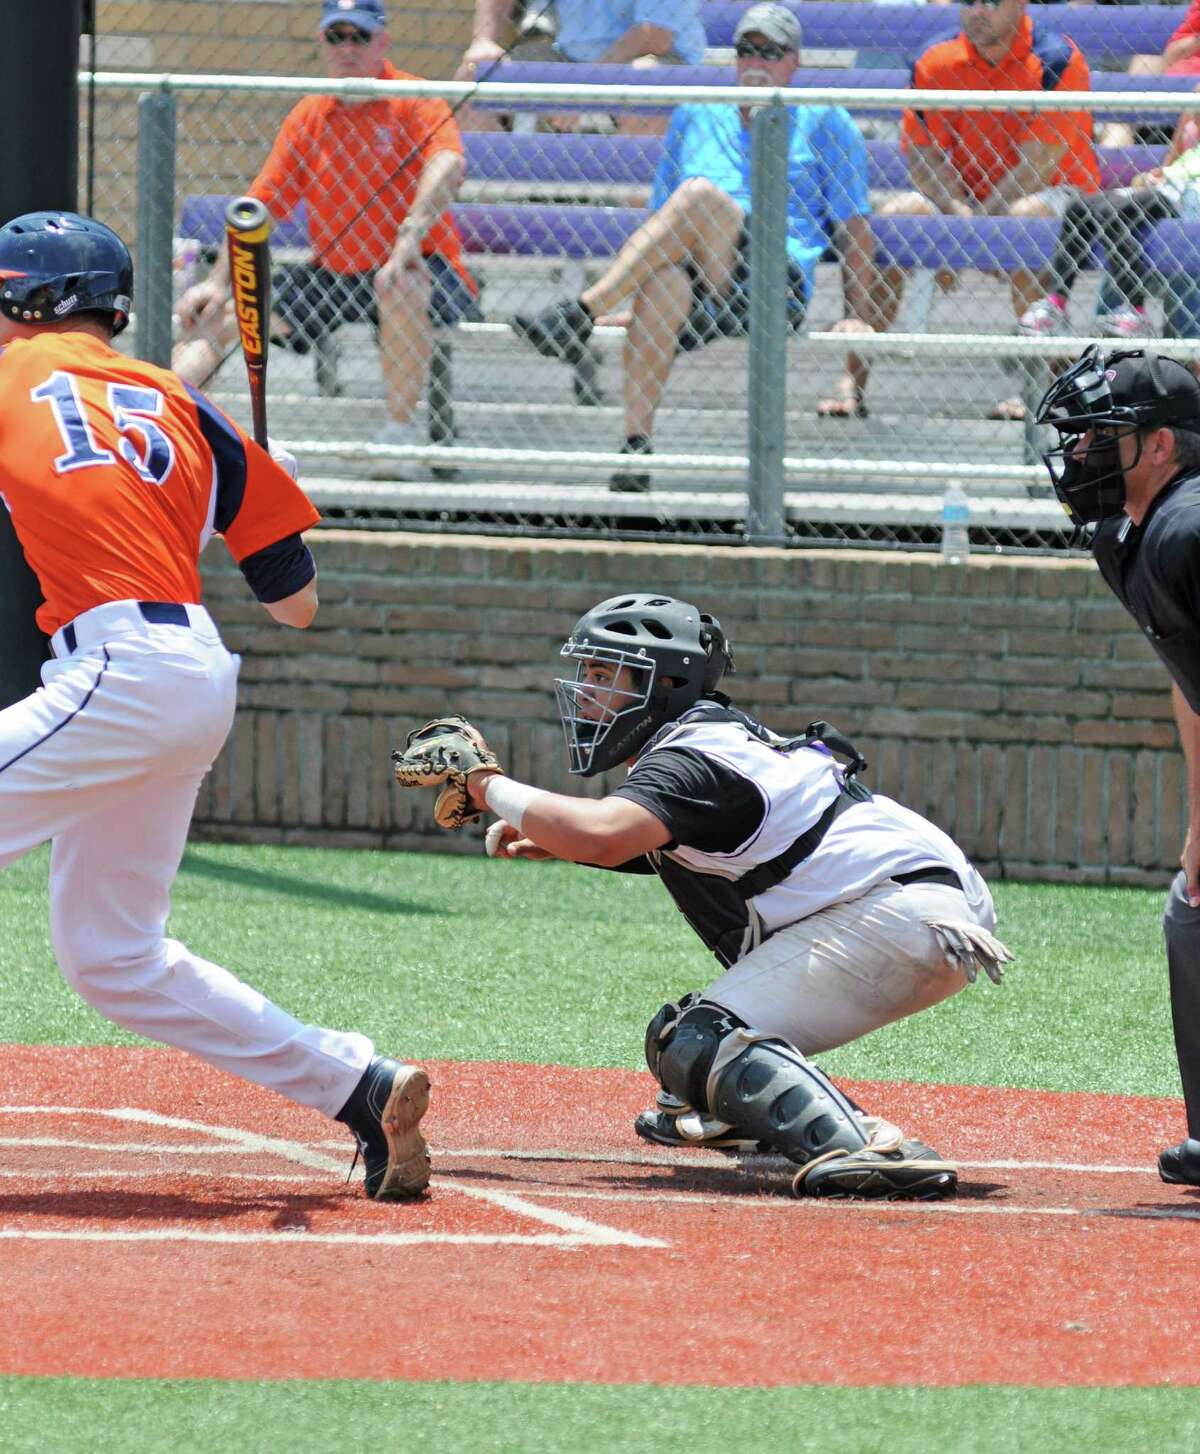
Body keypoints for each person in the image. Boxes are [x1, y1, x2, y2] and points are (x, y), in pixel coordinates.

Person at [0, 210, 430, 1202]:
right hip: (193, 675)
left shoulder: (21, 374)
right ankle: (358, 1083)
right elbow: (297, 603)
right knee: (112, 955)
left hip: (117, 672)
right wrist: (248, 468)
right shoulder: (183, 406)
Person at [398, 593, 1012, 1201]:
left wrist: (483, 782)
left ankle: (865, 1144)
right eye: (586, 673)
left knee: (701, 1042)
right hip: (907, 908)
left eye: (605, 674)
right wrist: (562, 842)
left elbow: (603, 834)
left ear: (664, 682)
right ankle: (747, 1118)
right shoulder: (711, 739)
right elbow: (698, 841)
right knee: (678, 1051)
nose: (586, 693)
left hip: (893, 916)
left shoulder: (694, 755)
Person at [505, 4, 882, 491]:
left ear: (794, 62)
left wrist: (857, 317)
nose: (755, 61)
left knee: (702, 195)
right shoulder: (696, 111)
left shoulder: (827, 120)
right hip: (701, 276)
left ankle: (579, 314)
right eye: (747, 49)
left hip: (772, 279)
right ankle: (635, 449)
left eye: (770, 51)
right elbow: (663, 220)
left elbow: (855, 231)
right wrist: (637, 281)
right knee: (661, 285)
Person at [173, 0, 478, 481]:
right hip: (335, 273)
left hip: (420, 263)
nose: (348, 49)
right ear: (322, 43)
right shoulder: (310, 114)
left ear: (383, 41)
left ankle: (398, 439)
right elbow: (258, 206)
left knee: (398, 284)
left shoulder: (416, 97)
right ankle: (161, 415)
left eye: (360, 36)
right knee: (223, 315)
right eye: (337, 37)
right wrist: (216, 282)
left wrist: (407, 237)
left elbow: (448, 165)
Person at [1035, 346, 1200, 1188]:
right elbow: (1192, 681)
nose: (1080, 455)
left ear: (1161, 446)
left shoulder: (1190, 528)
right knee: (1194, 910)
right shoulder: (1126, 536)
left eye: (1102, 436)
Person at [878, 0, 1101, 422]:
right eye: (969, 2)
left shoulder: (1057, 58)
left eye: (992, 2)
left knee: (1026, 218)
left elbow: (1040, 165)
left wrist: (977, 227)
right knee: (895, 215)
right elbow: (924, 160)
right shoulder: (935, 58)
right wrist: (961, 215)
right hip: (965, 199)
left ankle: (1040, 389)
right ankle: (854, 378)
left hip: (1059, 194)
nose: (978, 11)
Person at [1020, 104, 1200, 344]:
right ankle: (1057, 302)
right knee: (1080, 207)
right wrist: (1156, 175)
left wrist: (1170, 176)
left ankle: (1136, 310)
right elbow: (1173, 161)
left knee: (1115, 211)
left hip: (1190, 195)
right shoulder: (1194, 105)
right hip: (1169, 185)